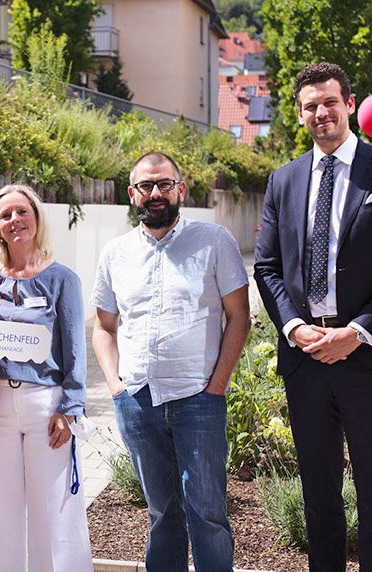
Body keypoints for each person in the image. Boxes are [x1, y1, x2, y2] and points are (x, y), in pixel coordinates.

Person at [91, 152, 250, 572]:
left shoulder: (215, 241)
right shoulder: (115, 254)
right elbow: (103, 327)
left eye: (164, 184)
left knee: (209, 514)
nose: (156, 193)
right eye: (146, 185)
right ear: (132, 194)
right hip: (138, 401)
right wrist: (116, 388)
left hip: (199, 398)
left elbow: (240, 318)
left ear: (180, 189)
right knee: (161, 515)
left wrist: (216, 387)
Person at [255, 62, 372, 571]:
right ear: (299, 114)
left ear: (349, 104)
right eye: (310, 106)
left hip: (366, 361)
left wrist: (359, 331)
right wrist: (294, 327)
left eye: (329, 102)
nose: (320, 113)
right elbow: (267, 266)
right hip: (305, 364)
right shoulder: (283, 181)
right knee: (319, 499)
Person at [0, 184, 93, 572]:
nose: (14, 221)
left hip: (47, 405)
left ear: (36, 218)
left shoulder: (62, 279)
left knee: (52, 510)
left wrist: (71, 409)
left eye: (21, 212)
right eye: (5, 215)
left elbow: (75, 348)